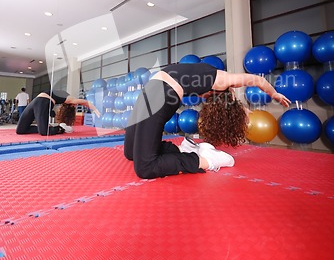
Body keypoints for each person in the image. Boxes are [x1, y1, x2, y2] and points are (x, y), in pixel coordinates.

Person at [124, 62, 290, 179]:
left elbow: (230, 101)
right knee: (130, 152)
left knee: (145, 168)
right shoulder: (221, 80)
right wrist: (274, 94)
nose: (203, 98)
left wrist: (243, 110)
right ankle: (185, 150)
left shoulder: (212, 78)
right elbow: (258, 80)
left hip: (160, 97)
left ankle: (207, 161)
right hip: (153, 92)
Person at [16, 90, 100, 136]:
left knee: (44, 132)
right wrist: (95, 109)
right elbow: (84, 102)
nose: (76, 105)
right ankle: (47, 127)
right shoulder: (70, 98)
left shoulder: (63, 100)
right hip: (38, 100)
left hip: (41, 101)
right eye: (74, 105)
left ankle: (60, 128)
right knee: (20, 130)